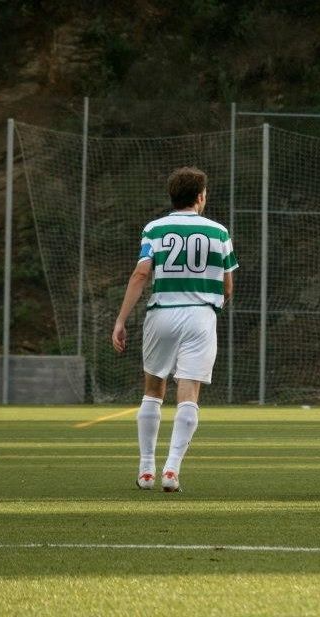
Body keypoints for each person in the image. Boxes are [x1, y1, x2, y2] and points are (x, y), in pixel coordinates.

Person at [111, 166, 238, 493]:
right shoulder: (219, 233)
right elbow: (228, 286)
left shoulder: (154, 229)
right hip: (200, 316)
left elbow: (141, 275)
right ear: (200, 197)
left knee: (153, 390)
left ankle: (146, 469)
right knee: (189, 391)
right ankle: (172, 469)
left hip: (162, 314)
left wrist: (121, 320)